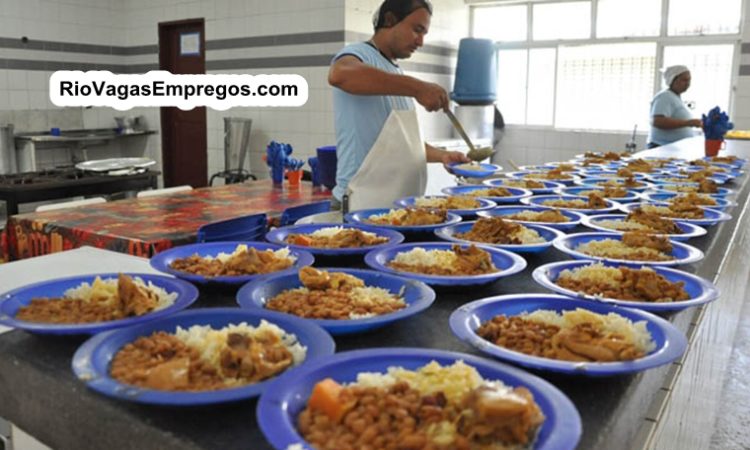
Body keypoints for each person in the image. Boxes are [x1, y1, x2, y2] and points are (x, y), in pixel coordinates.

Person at [328, 0, 470, 211]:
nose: (421, 41)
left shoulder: (395, 73)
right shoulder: (359, 54)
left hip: (395, 208)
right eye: (417, 29)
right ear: (390, 20)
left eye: (424, 33)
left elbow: (404, 144)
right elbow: (339, 74)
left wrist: (442, 156)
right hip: (361, 204)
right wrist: (417, 88)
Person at [646, 65, 703, 148]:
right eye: (684, 80)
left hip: (672, 148)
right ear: (672, 80)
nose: (688, 83)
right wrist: (688, 123)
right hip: (662, 147)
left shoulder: (675, 97)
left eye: (689, 80)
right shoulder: (664, 96)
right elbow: (658, 121)